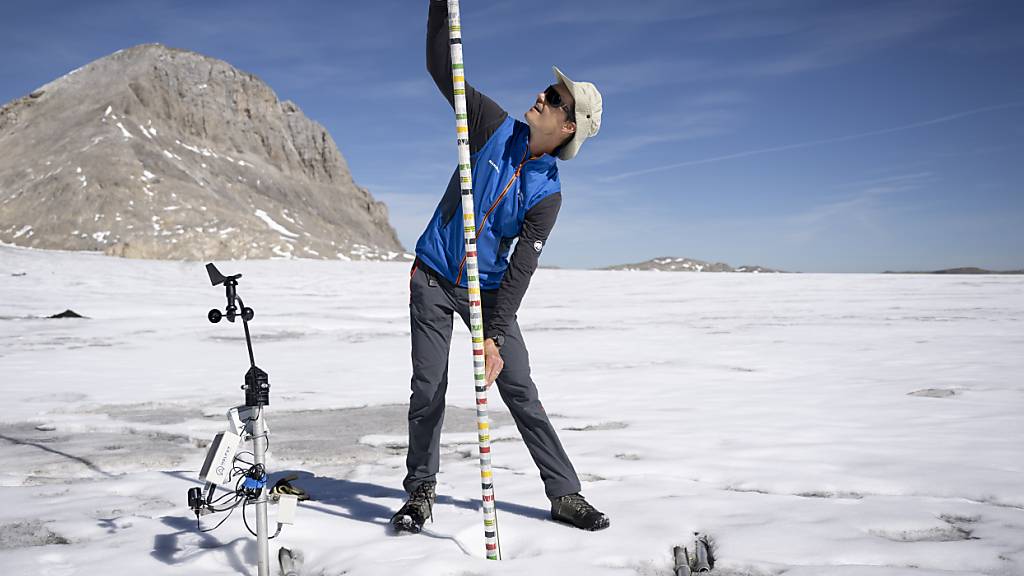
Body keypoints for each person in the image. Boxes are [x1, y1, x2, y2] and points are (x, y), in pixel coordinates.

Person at [391, 0, 607, 533]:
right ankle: (420, 490)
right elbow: (442, 69)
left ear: (567, 127)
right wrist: (439, 12)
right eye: (548, 89)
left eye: (554, 99)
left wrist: (493, 336)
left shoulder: (548, 195)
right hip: (435, 277)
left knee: (519, 388)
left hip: (488, 293)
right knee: (429, 387)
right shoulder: (490, 124)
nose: (541, 94)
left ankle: (564, 493)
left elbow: (520, 270)